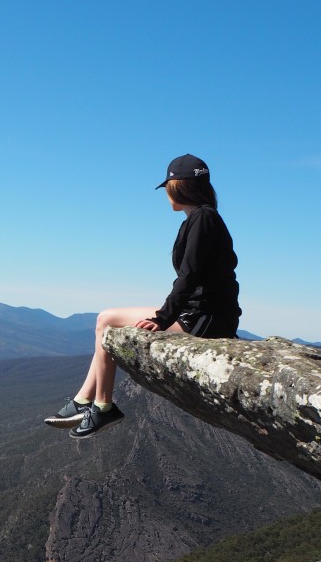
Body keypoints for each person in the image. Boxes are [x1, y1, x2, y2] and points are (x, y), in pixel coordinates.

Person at [44, 154, 241, 439]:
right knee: (106, 319)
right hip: (199, 311)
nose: (167, 195)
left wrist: (162, 319)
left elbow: (189, 276)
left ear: (180, 186)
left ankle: (101, 406)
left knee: (108, 322)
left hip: (205, 319)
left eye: (169, 187)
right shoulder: (200, 218)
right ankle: (85, 401)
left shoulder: (203, 219)